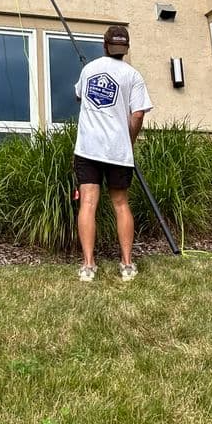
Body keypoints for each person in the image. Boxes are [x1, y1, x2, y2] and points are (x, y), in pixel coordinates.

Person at [73, 24, 152, 283]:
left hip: (88, 148)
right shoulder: (133, 75)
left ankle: (88, 265)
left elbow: (78, 96)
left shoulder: (88, 70)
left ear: (104, 45)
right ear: (125, 49)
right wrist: (129, 141)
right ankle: (127, 265)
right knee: (120, 204)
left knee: (87, 204)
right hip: (118, 150)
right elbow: (138, 114)